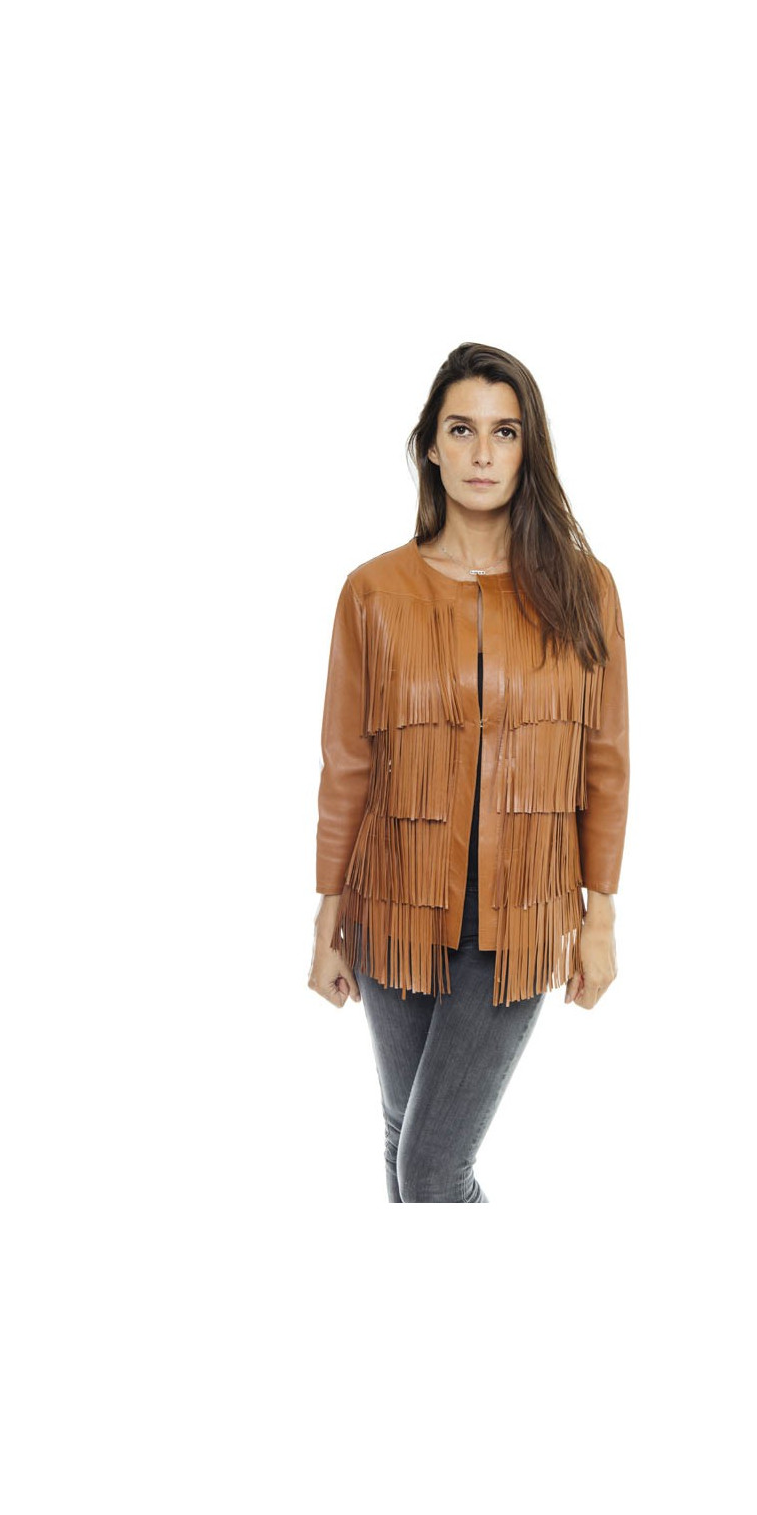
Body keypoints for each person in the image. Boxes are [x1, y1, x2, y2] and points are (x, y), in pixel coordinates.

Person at [308, 341, 630, 1202]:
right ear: (430, 446)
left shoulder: (584, 589)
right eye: (462, 430)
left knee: (430, 1167)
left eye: (505, 431)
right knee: (402, 1136)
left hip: (518, 913)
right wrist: (329, 912)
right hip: (393, 905)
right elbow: (347, 763)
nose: (483, 453)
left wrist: (599, 914)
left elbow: (605, 761)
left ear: (529, 448)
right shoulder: (372, 591)